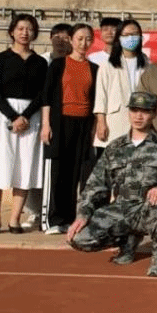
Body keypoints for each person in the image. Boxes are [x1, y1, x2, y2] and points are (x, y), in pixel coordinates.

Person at [66, 91, 157, 277]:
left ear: (154, 114)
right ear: (128, 112)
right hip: (121, 207)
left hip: (149, 208)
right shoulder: (115, 147)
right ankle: (127, 242)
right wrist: (83, 214)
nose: (138, 116)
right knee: (79, 238)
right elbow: (95, 185)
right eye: (134, 110)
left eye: (145, 111)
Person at [0, 13, 47, 234]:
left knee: (24, 165)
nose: (25, 33)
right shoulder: (0, 59)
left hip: (31, 118)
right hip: (3, 115)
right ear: (12, 31)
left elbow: (42, 93)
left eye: (29, 29)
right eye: (20, 28)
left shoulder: (40, 62)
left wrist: (26, 116)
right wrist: (13, 116)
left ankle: (15, 219)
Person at [40, 23, 99, 234]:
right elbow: (46, 97)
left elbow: (95, 101)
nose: (84, 43)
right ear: (72, 40)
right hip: (60, 122)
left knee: (76, 173)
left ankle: (69, 218)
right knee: (58, 171)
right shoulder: (58, 65)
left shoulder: (94, 69)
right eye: (80, 38)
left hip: (83, 125)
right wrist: (46, 124)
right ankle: (52, 219)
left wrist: (93, 129)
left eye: (88, 39)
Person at [94, 18, 148, 156]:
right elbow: (101, 96)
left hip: (140, 121)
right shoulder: (108, 65)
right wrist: (101, 122)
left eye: (135, 34)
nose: (131, 38)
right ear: (119, 38)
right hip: (115, 121)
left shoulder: (146, 63)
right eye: (127, 35)